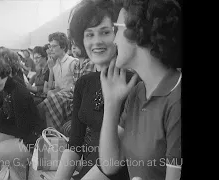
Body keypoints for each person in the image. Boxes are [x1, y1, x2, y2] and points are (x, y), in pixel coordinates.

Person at [99, 0, 182, 180]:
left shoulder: (176, 98)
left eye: (117, 30)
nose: (114, 40)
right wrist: (112, 103)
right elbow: (110, 164)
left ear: (138, 32)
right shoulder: (138, 92)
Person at [54, 0, 132, 180]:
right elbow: (74, 144)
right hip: (88, 171)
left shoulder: (132, 84)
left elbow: (119, 159)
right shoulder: (84, 83)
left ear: (119, 34)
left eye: (105, 32)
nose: (96, 41)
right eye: (89, 34)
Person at [44, 32, 78, 96]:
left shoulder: (73, 62)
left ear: (63, 47)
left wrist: (59, 92)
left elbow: (77, 86)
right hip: (61, 97)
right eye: (50, 46)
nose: (51, 49)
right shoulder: (55, 64)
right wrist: (51, 70)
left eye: (53, 46)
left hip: (71, 97)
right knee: (49, 93)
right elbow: (50, 87)